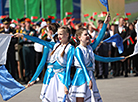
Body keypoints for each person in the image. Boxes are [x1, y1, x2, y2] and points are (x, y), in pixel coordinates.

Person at [14, 25, 75, 102]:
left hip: (61, 77)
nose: (59, 36)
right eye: (58, 34)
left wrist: (66, 84)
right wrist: (24, 35)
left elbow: (69, 67)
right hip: (54, 77)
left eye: (61, 34)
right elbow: (39, 41)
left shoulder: (70, 48)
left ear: (67, 35)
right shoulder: (56, 46)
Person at [69, 14, 111, 102]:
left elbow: (99, 38)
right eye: (85, 34)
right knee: (80, 99)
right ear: (79, 38)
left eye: (88, 34)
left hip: (90, 75)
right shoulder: (78, 50)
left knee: (93, 99)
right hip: (81, 77)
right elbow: (83, 65)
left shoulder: (90, 48)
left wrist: (105, 23)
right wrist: (88, 79)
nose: (88, 35)